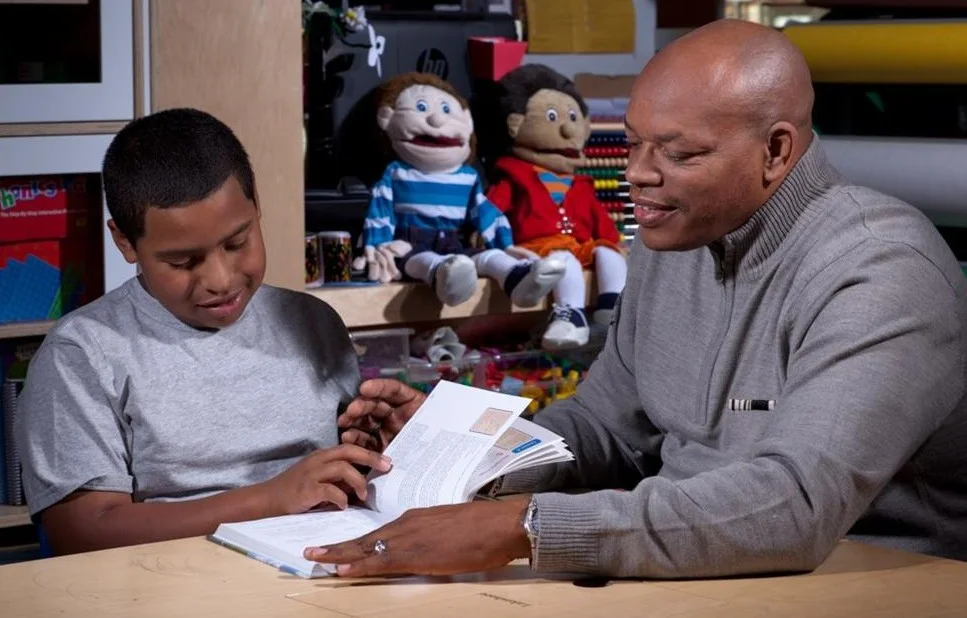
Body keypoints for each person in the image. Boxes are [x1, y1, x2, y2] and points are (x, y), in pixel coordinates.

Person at [306, 19, 967, 578]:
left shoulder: (879, 268)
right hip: (701, 579)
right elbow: (604, 432)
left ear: (775, 151)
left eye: (678, 154)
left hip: (863, 581)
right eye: (631, 143)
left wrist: (524, 527)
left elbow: (793, 506)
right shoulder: (666, 238)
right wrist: (469, 449)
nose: (637, 176)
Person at [14, 108, 391, 555]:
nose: (220, 278)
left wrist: (386, 446)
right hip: (171, 584)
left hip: (319, 567)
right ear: (125, 242)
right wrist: (270, 499)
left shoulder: (313, 321)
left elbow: (342, 470)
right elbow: (81, 530)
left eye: (238, 242)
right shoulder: (82, 354)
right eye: (182, 261)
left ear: (256, 209)